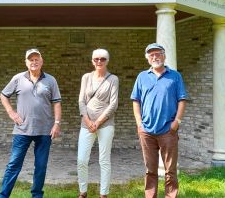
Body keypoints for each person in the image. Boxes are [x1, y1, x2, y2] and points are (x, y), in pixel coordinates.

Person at [0, 48, 62, 198]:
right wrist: (11, 113)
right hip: (22, 130)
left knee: (40, 166)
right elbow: (3, 95)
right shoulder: (18, 78)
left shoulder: (50, 80)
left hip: (45, 131)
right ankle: (3, 195)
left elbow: (57, 103)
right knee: (13, 164)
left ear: (41, 61)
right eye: (31, 59)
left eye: (36, 59)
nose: (34, 62)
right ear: (26, 62)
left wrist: (57, 123)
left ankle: (37, 195)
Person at [131, 43, 187, 198]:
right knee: (150, 169)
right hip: (147, 131)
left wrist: (177, 122)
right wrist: (139, 123)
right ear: (147, 58)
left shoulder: (175, 76)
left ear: (164, 55)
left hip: (168, 131)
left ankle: (170, 196)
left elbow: (182, 100)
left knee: (170, 170)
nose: (155, 57)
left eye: (158, 53)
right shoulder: (142, 77)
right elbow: (136, 101)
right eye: (151, 55)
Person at [77, 48, 119, 198]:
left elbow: (113, 104)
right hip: (86, 124)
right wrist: (88, 121)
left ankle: (104, 194)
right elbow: (81, 101)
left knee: (104, 160)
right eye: (96, 59)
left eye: (102, 59)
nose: (99, 61)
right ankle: (82, 191)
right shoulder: (86, 77)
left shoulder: (113, 79)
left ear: (107, 61)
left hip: (106, 125)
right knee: (82, 159)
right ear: (92, 61)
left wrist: (98, 122)